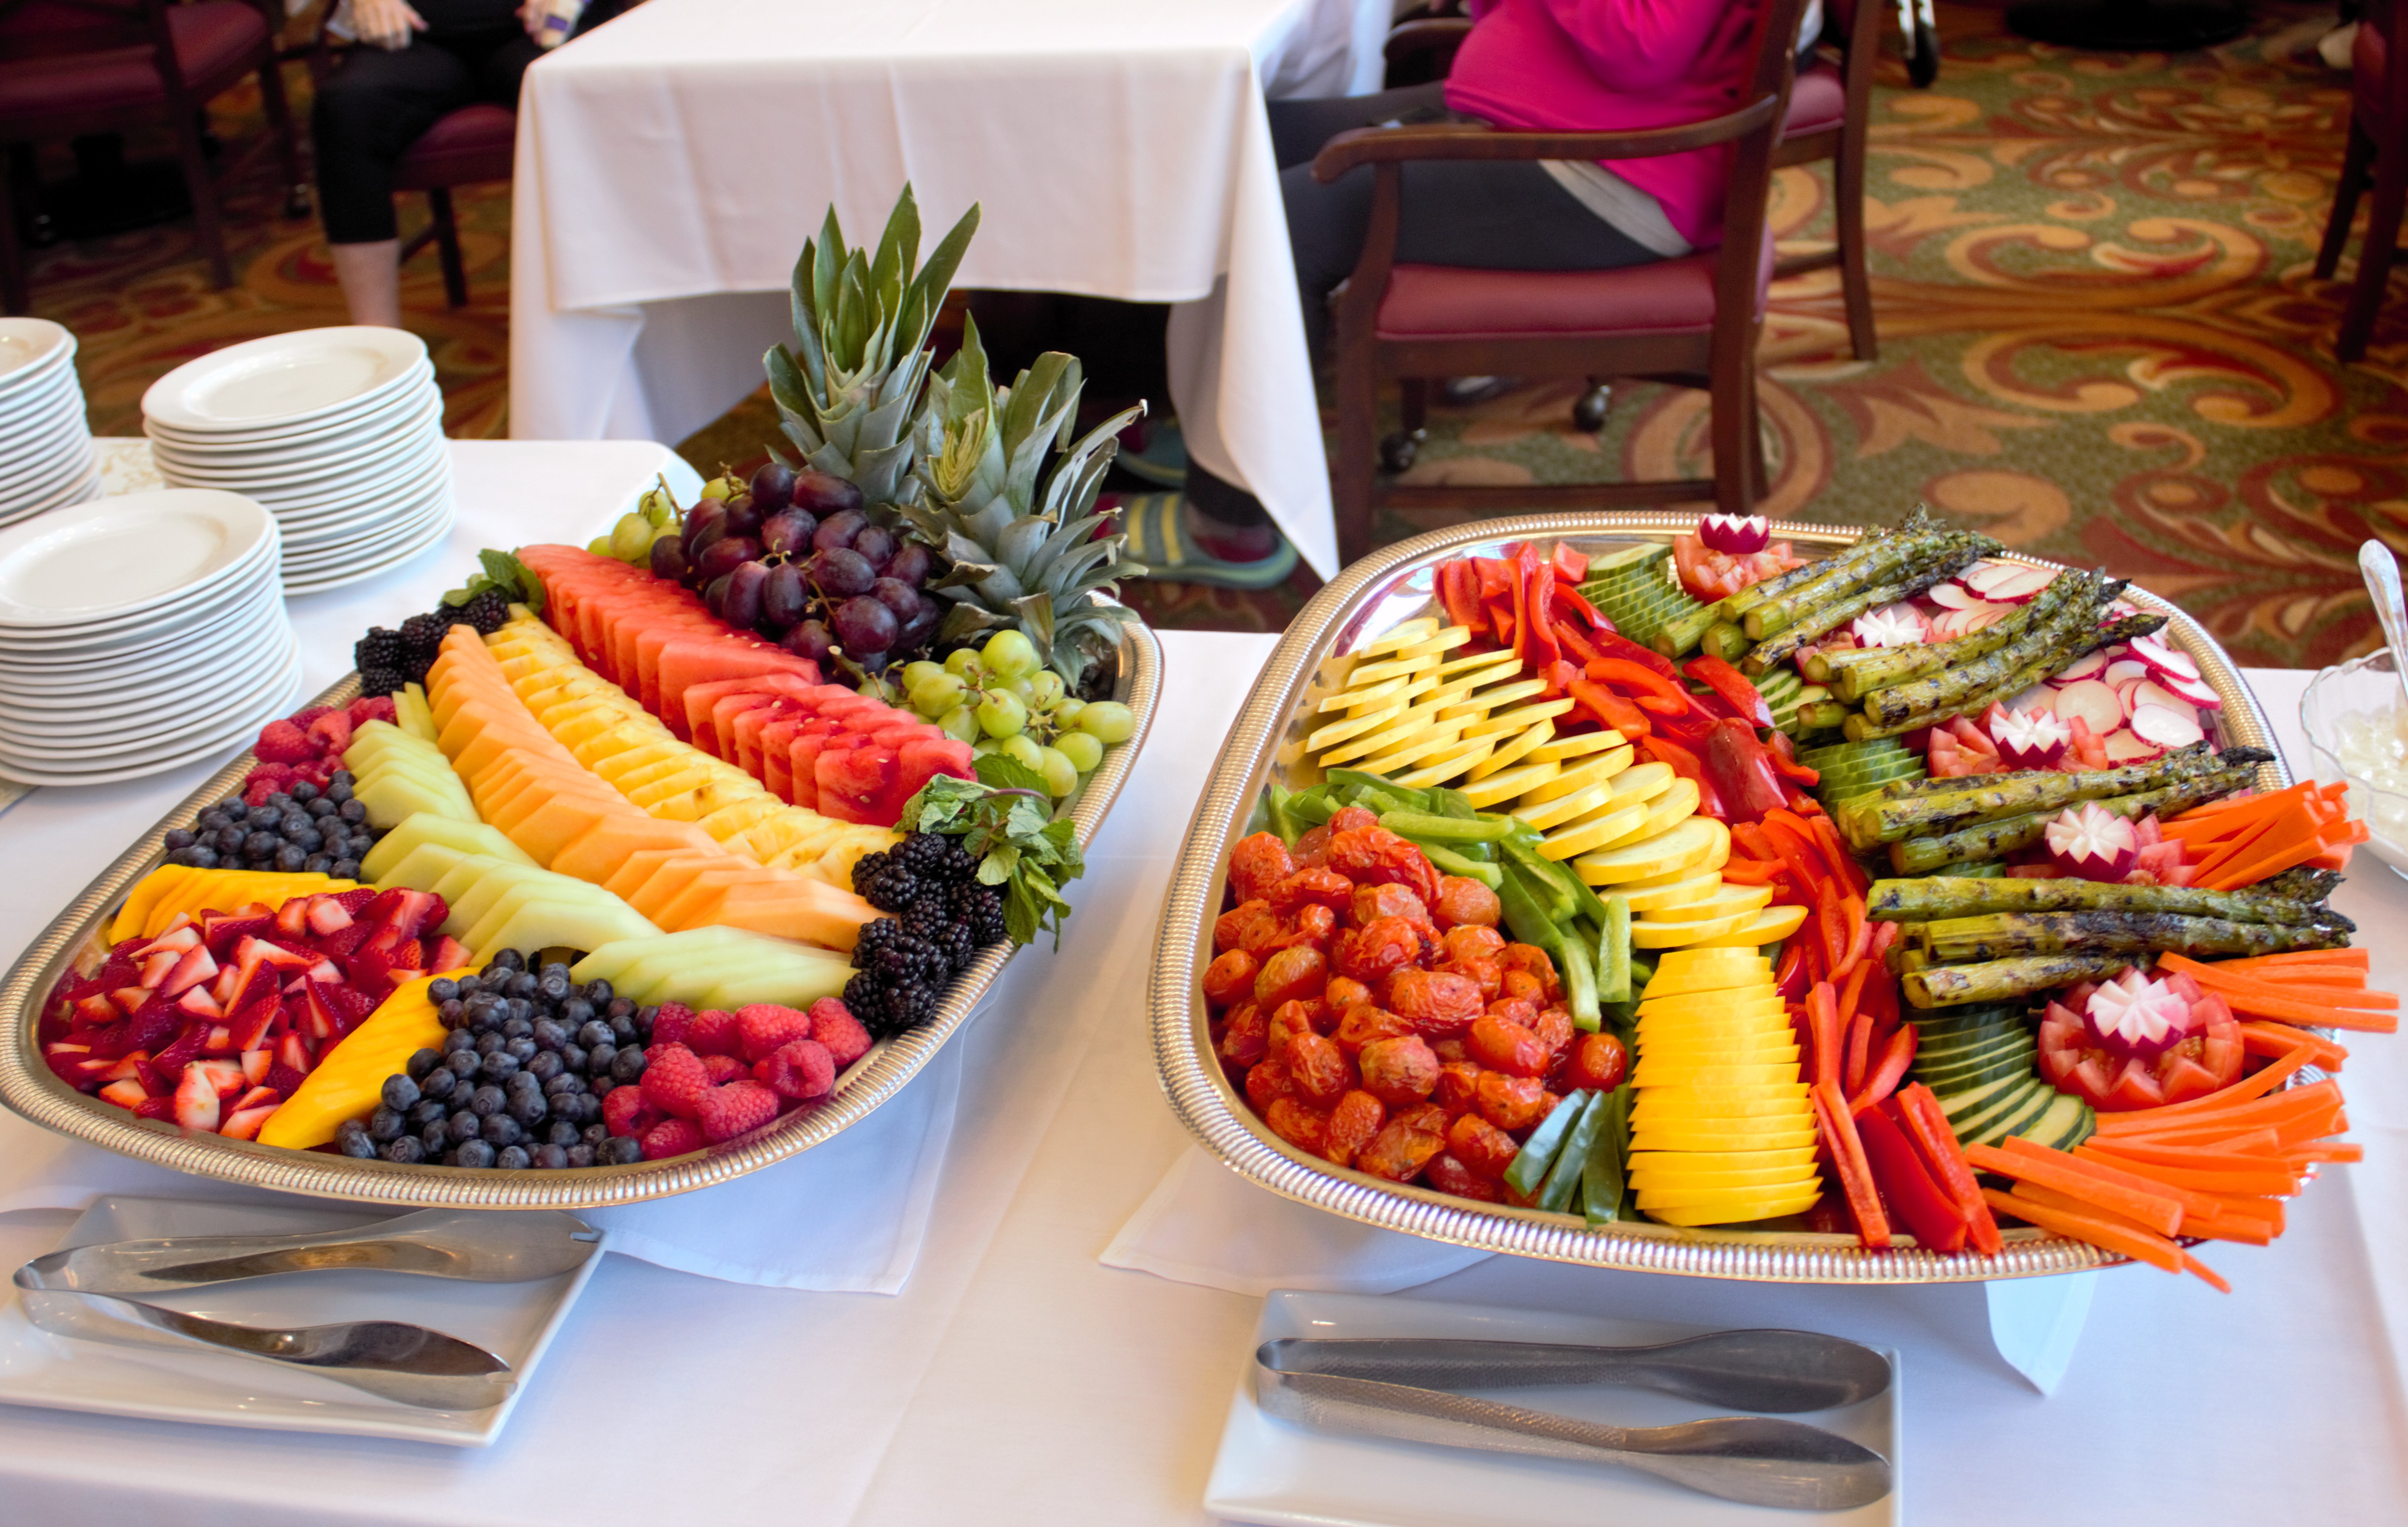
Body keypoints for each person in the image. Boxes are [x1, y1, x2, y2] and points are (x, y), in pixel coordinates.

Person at [1133, 0, 1814, 585]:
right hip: (1546, 118)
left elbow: (1641, 47)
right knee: (1245, 136)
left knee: (1281, 219)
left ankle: (1227, 523)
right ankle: (1208, 429)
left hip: (1618, 169)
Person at [314, 0, 634, 326]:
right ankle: (379, 341)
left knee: (577, 92)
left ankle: (617, 314)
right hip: (417, 34)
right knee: (346, 108)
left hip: (541, 24)